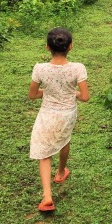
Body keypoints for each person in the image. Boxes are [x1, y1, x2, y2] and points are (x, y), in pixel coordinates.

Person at [28, 27, 89, 212]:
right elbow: (85, 96)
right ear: (71, 46)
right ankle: (61, 172)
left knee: (44, 153)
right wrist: (72, 93)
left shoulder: (40, 69)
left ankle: (47, 196)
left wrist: (47, 91)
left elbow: (33, 95)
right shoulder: (78, 68)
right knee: (64, 139)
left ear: (47, 47)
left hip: (47, 113)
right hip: (67, 113)